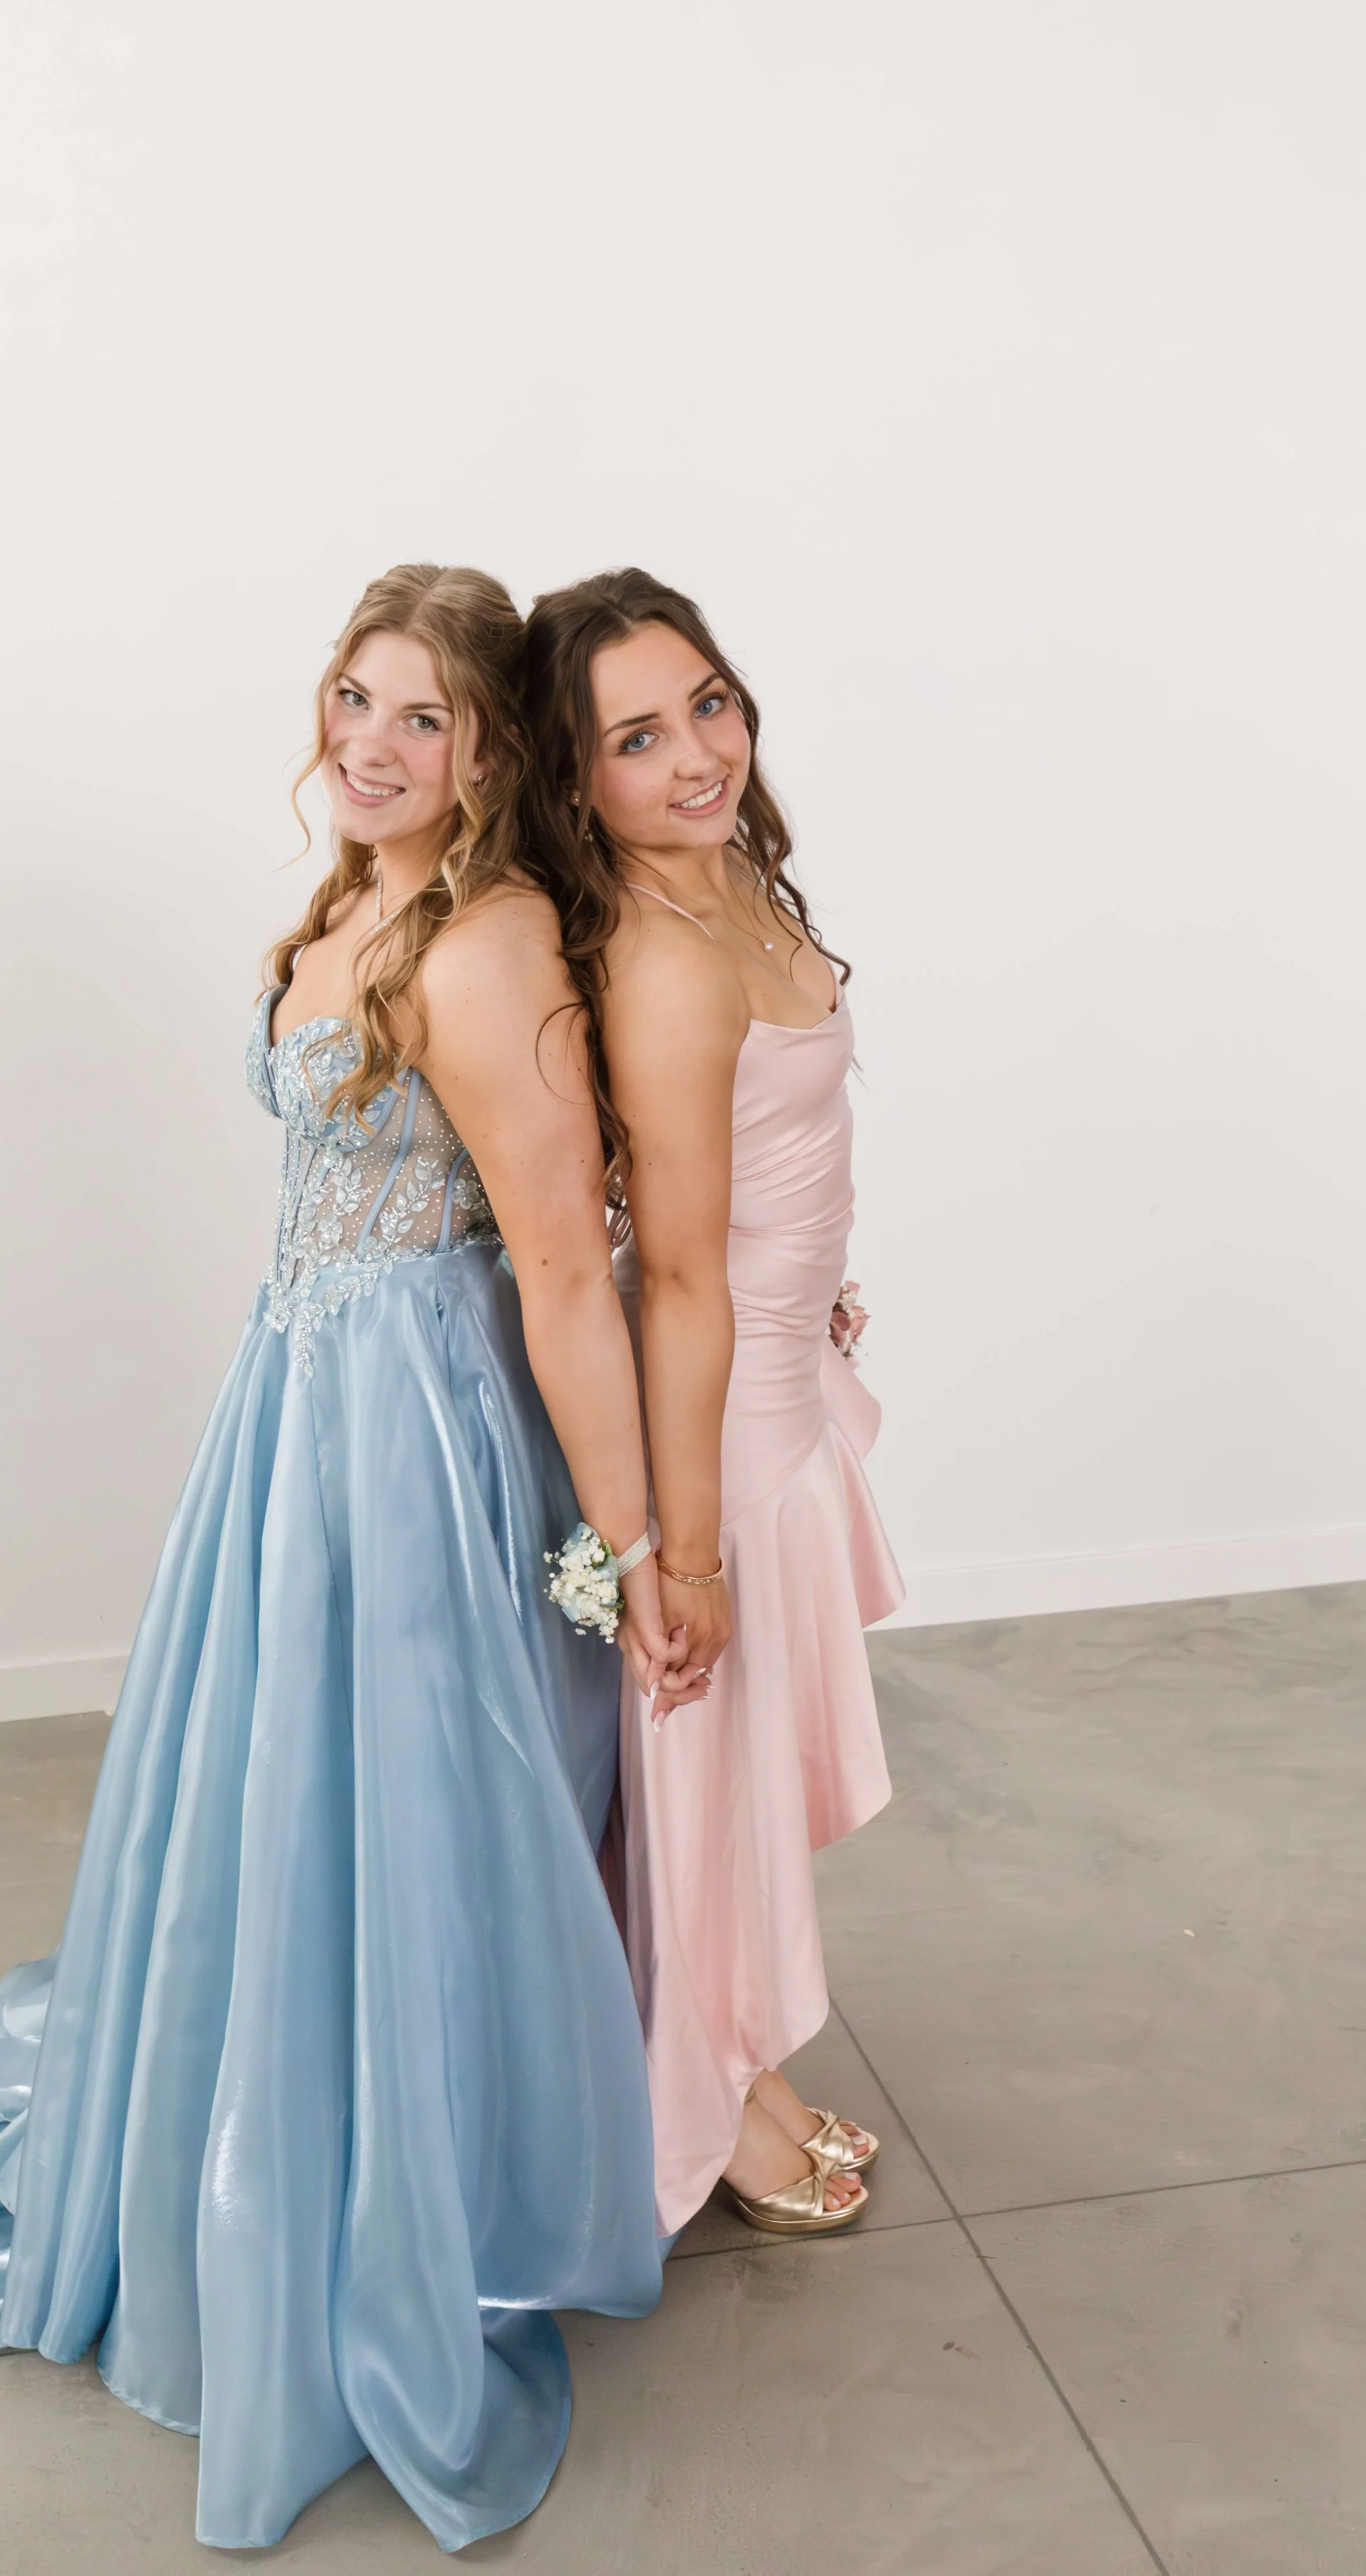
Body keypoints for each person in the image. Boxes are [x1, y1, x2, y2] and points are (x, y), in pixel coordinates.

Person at [0, 565, 685, 2552]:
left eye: (425, 716)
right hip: (295, 1397)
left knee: (405, 1800)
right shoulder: (355, 900)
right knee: (277, 1796)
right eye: (355, 697)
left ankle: (403, 2177)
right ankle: (265, 2100)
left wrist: (625, 1541)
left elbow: (554, 1266)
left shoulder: (487, 941)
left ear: (489, 751)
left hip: (412, 1422)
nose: (372, 743)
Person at [522, 567, 904, 2243]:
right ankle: (703, 2104)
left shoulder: (732, 874)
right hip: (716, 1417)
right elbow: (674, 1277)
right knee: (701, 1780)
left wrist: (813, 1282)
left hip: (776, 1374)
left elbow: (764, 1174)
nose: (695, 755)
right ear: (572, 776)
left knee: (736, 1787)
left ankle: (744, 2059)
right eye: (635, 737)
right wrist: (680, 1554)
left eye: (707, 703)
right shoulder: (661, 960)